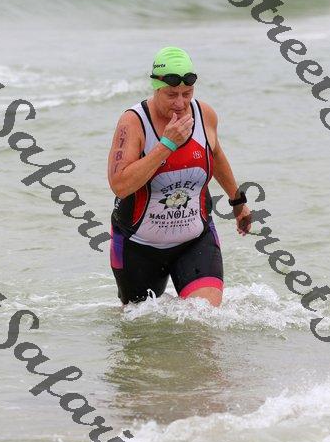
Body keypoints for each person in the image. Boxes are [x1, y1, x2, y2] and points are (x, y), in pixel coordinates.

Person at [108, 46, 251, 308]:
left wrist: (238, 202)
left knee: (204, 318)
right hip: (138, 246)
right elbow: (120, 185)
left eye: (187, 94)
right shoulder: (133, 122)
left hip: (194, 240)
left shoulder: (205, 115)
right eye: (172, 94)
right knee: (140, 327)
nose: (181, 103)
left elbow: (216, 155)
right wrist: (166, 145)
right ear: (156, 88)